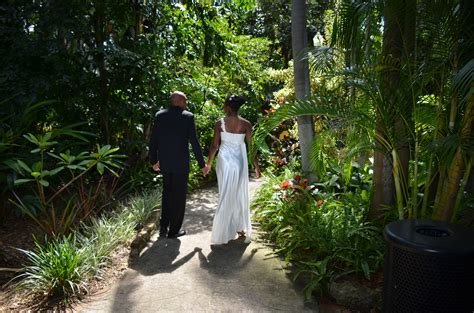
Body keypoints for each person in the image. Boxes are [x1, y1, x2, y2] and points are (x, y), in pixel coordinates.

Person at [203, 95, 261, 244]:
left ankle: (223, 230)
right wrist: (256, 166)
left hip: (224, 161)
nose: (223, 107)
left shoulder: (220, 123)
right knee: (237, 193)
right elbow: (251, 148)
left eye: (224, 104)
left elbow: (214, 146)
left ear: (228, 107)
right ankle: (239, 226)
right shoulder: (246, 124)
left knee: (224, 193)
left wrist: (209, 163)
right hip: (239, 162)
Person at [149, 91, 207, 238]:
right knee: (179, 197)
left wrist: (153, 161)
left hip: (165, 163)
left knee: (167, 195)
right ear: (180, 101)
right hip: (181, 164)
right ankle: (174, 231)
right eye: (185, 100)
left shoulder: (160, 115)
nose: (186, 103)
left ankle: (163, 228)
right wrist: (202, 164)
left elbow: (153, 140)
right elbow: (194, 142)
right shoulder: (188, 116)